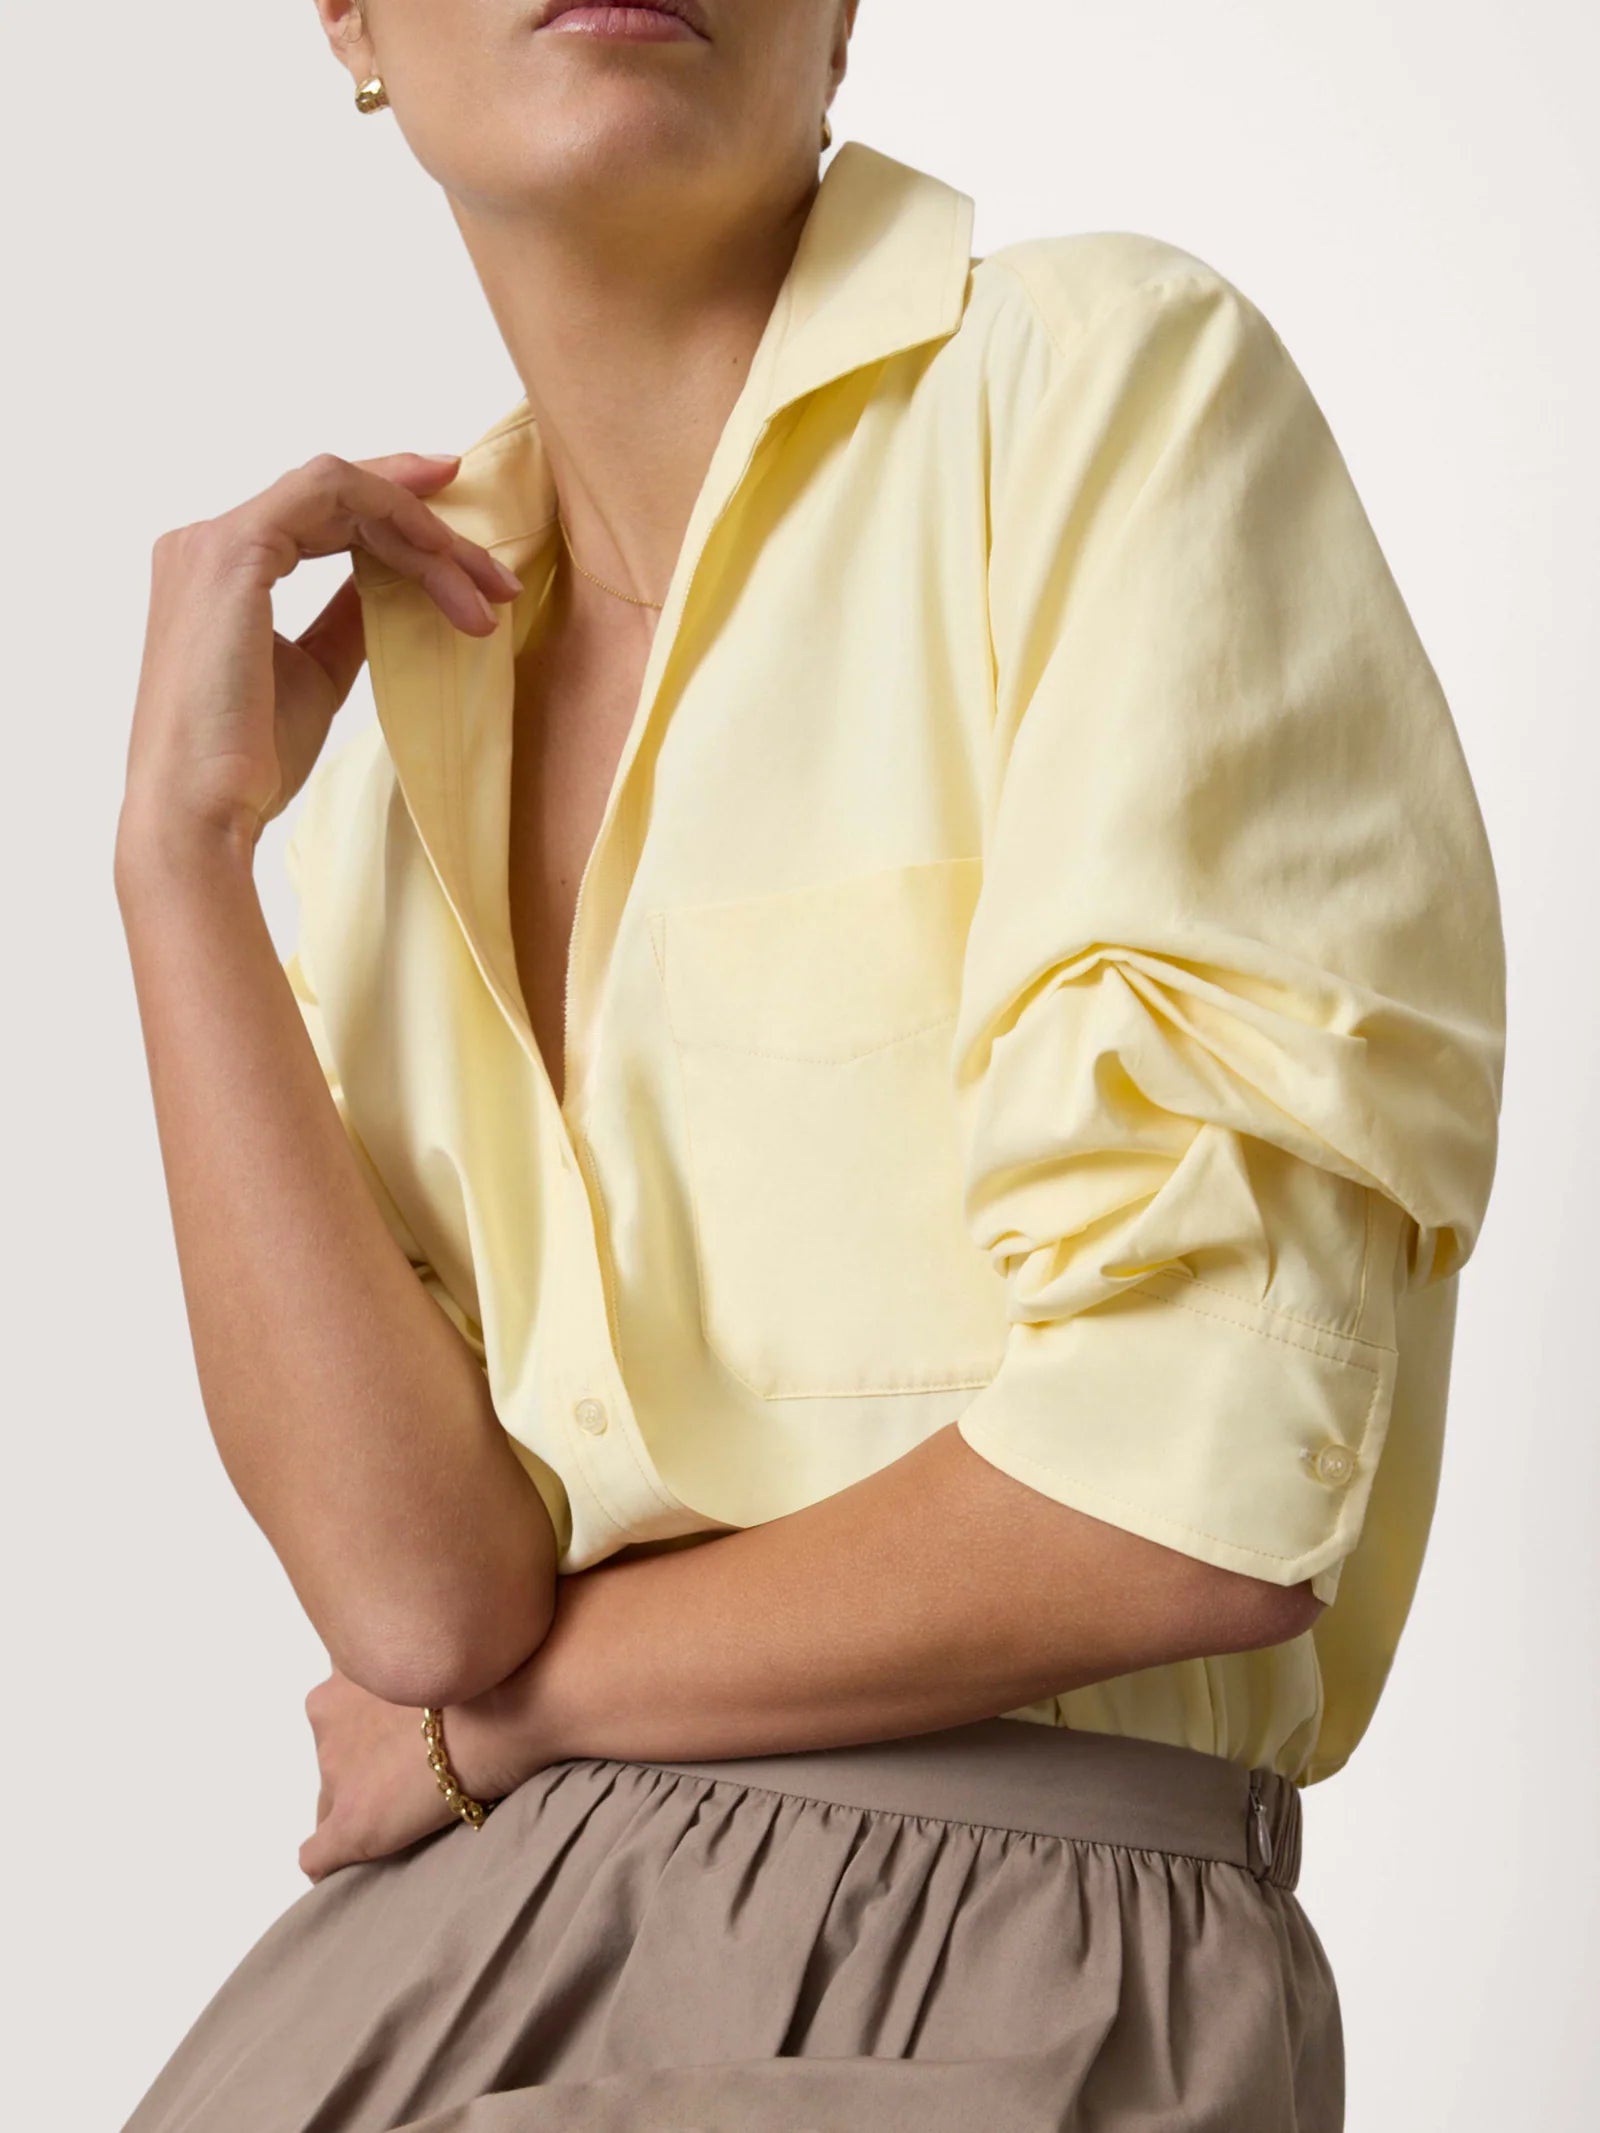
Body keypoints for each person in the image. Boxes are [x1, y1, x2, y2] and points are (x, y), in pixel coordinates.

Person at [112, 2, 1506, 2128]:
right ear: (351, 25)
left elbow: (1186, 1493)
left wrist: (510, 1718)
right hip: (438, 1955)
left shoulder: (1098, 393)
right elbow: (414, 1595)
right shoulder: (400, 726)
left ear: (841, 12)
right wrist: (178, 863)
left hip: (998, 1942)